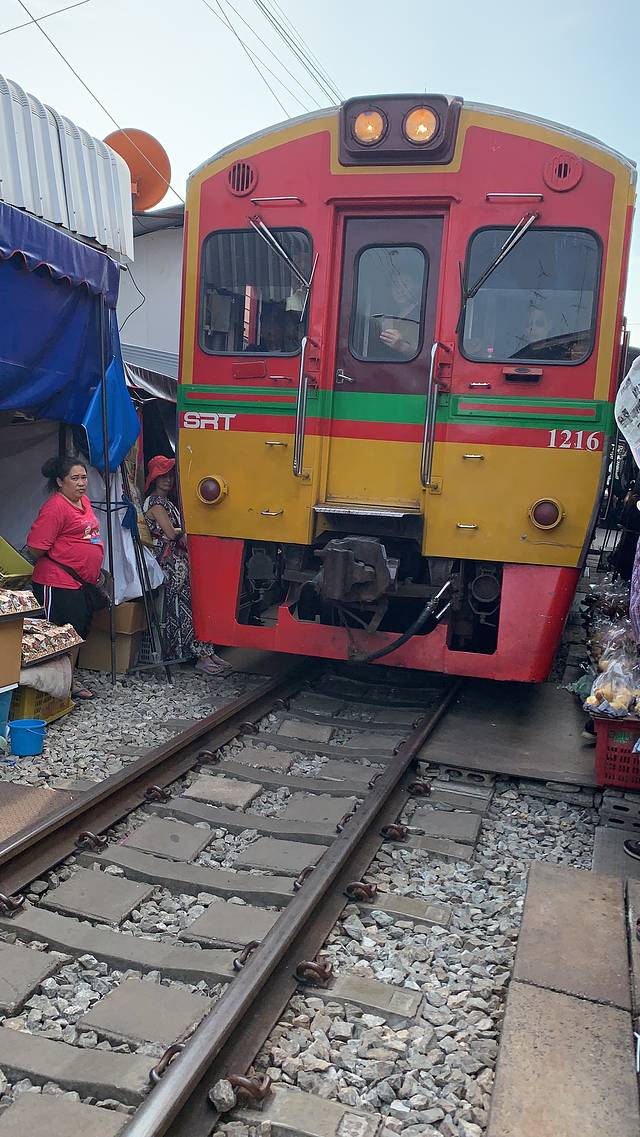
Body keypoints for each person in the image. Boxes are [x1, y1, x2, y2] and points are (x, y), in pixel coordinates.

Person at [27, 455, 103, 700]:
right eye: (75, 478)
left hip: (80, 582)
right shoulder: (55, 506)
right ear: (60, 481)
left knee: (76, 631)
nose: (82, 483)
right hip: (56, 581)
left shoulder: (84, 502)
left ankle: (68, 679)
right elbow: (36, 547)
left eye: (84, 477)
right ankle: (55, 685)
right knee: (56, 632)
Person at [143, 456, 227, 674]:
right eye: (162, 475)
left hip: (176, 560)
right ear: (154, 478)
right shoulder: (156, 503)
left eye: (170, 475)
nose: (167, 480)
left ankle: (203, 651)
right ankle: (197, 653)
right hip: (169, 562)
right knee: (184, 607)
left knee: (189, 607)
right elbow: (171, 533)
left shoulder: (166, 503)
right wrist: (185, 529)